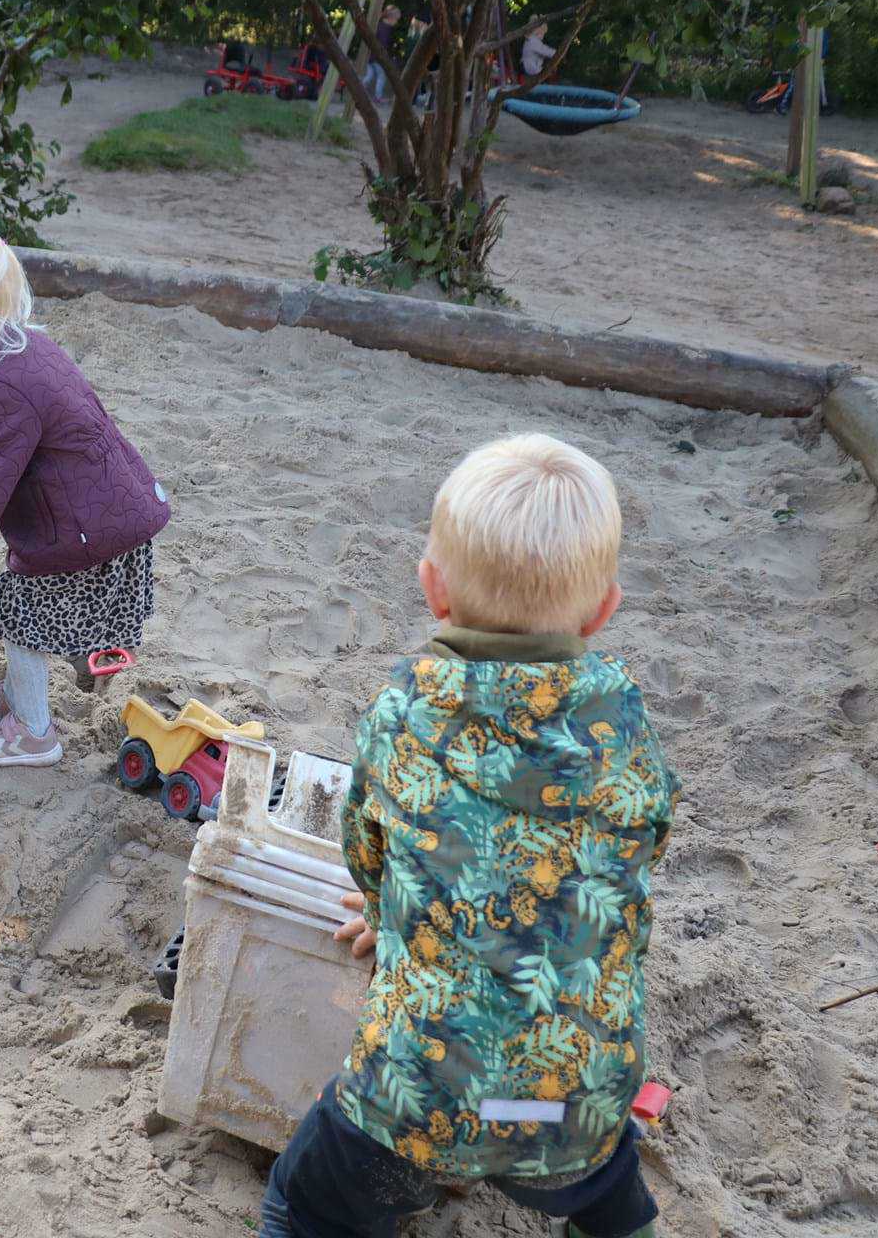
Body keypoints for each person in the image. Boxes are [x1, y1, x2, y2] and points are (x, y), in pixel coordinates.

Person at [259, 434, 679, 1238]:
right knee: (603, 1193)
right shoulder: (626, 726)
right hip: (578, 1108)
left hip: (417, 1105)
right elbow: (646, 844)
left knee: (302, 1204)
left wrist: (390, 910)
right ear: (603, 609)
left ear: (432, 589)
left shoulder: (405, 714)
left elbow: (367, 849)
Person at [0, 223, 169, 767]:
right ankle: (18, 695)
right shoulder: (17, 347)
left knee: (22, 618)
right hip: (89, 509)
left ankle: (33, 732)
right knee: (26, 614)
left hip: (85, 530)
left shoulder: (4, 386)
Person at [365, 5, 402, 103]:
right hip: (378, 58)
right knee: (381, 77)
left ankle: (357, 88)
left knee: (369, 76)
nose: (396, 22)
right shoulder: (385, 29)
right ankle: (378, 97)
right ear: (391, 18)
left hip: (372, 57)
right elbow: (383, 45)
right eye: (396, 20)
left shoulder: (379, 26)